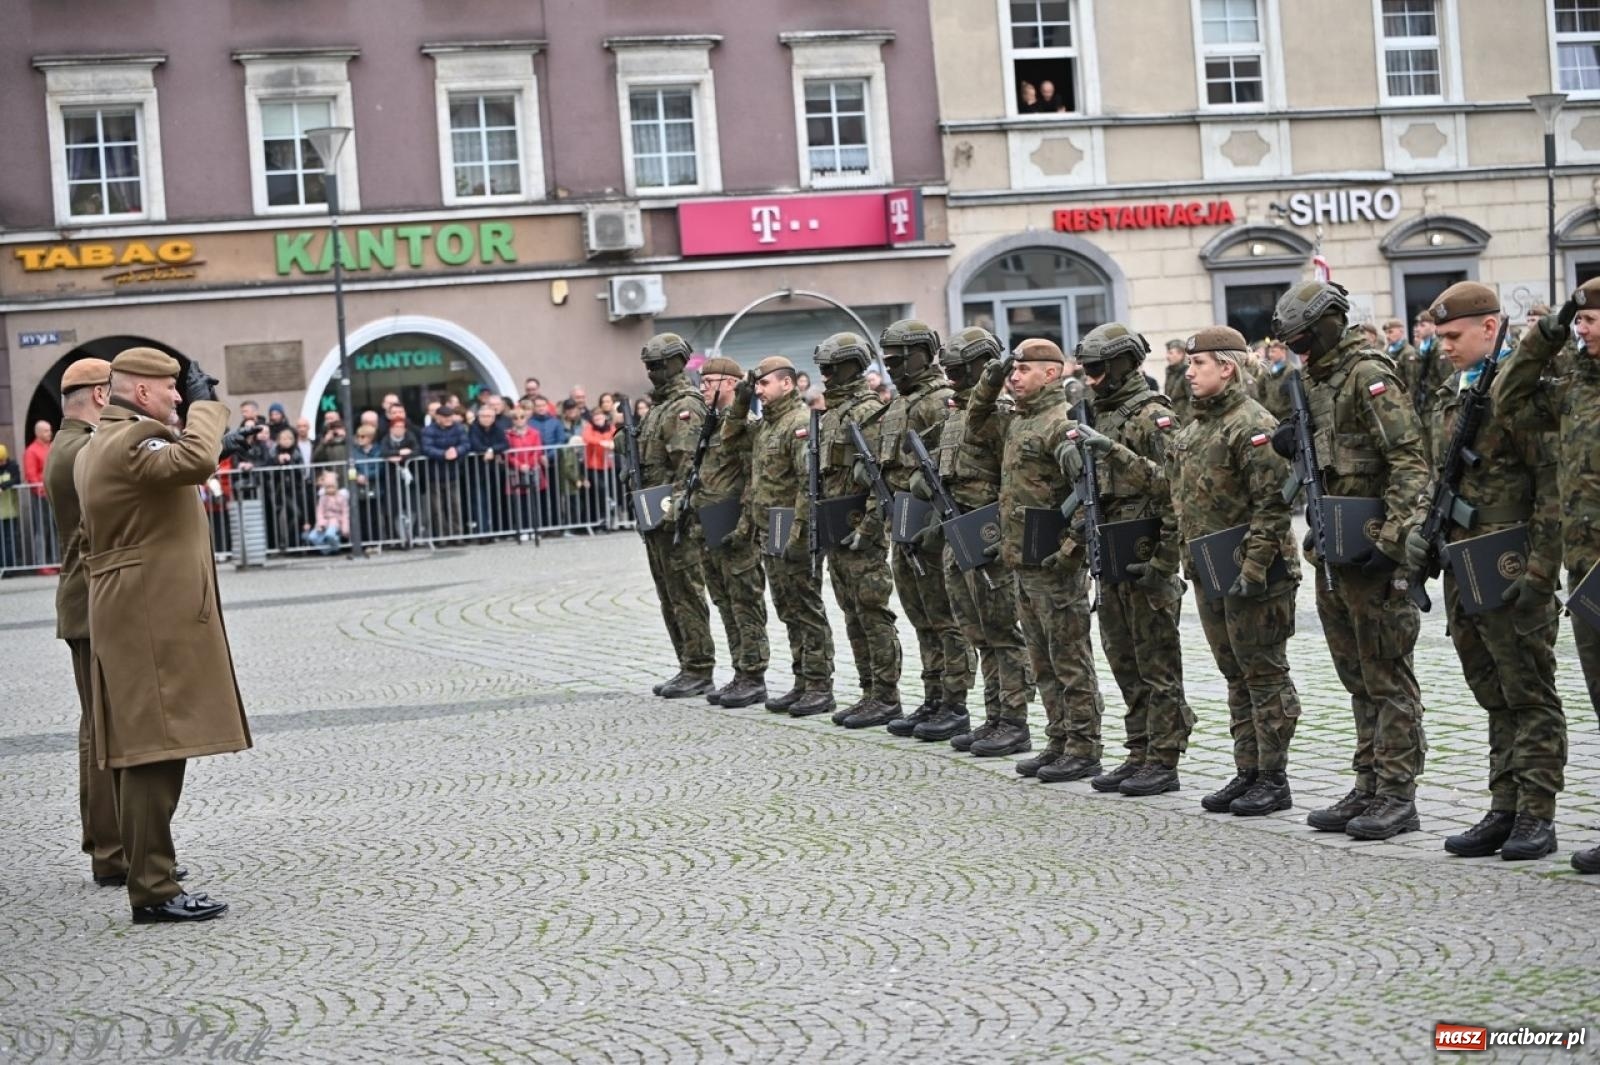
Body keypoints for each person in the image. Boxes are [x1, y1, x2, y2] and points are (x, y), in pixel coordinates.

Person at [75, 346, 248, 923]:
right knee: (154, 751)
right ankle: (152, 886)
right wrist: (206, 408)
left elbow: (164, 480)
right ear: (143, 391)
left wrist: (215, 443)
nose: (178, 395)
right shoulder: (132, 437)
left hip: (136, 611)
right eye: (171, 388)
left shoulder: (105, 442)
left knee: (150, 749)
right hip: (147, 615)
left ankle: (152, 874)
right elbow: (190, 461)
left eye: (183, 388)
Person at [1405, 282, 1565, 861]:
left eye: (1454, 336)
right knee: (1492, 690)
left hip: (1508, 559)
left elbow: (1551, 486)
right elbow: (1435, 475)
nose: (1444, 346)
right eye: (1439, 336)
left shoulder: (1520, 393)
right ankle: (1505, 805)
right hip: (1462, 561)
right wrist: (1420, 532)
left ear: (1490, 328)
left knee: (1529, 691)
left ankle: (1537, 814)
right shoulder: (1452, 394)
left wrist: (1541, 571)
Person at [1270, 282, 1430, 840]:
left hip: (1374, 552)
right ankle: (1368, 781)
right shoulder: (1314, 382)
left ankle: (1397, 793)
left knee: (1387, 675)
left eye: (1303, 339)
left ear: (1329, 325)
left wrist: (1392, 541)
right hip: (1333, 548)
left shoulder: (1367, 374)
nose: (1298, 350)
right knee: (1356, 676)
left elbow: (1409, 461)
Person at [1167, 327, 1303, 816]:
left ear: (1226, 367)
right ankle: (1248, 770)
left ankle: (1274, 777)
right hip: (1210, 570)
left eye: (1198, 363)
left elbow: (1274, 504)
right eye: (1188, 363)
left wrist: (1254, 565)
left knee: (1264, 675)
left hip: (1256, 573)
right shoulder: (1195, 427)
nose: (1189, 372)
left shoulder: (1252, 424)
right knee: (1235, 675)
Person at [1496, 280, 1600, 873]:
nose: (1582, 328)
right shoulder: (1575, 387)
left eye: (1590, 319)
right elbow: (1509, 398)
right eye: (1577, 321)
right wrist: (1547, 333)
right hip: (1587, 572)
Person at [1069, 324, 1193, 796]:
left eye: (1098, 369)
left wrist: (1164, 562)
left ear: (1123, 363)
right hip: (1111, 553)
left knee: (1157, 664)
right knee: (1123, 658)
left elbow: (1174, 486)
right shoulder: (1096, 414)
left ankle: (1164, 757)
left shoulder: (1152, 415)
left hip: (1148, 555)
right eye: (1087, 369)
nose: (1091, 377)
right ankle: (1139, 749)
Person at [967, 337, 1101, 771]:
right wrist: (990, 379)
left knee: (1069, 660)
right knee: (1042, 660)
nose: (1015, 377)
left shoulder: (1061, 425)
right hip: (1022, 561)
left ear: (1052, 373)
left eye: (1024, 370)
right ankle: (1059, 739)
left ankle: (1083, 747)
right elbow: (975, 422)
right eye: (1013, 370)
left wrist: (1069, 551)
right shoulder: (1018, 420)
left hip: (1054, 565)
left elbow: (1088, 496)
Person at [921, 328, 1035, 754]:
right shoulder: (956, 414)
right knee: (978, 631)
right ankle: (994, 716)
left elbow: (1013, 477)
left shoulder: (998, 412)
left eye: (957, 367)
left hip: (987, 533)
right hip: (958, 533)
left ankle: (1015, 720)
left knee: (1003, 630)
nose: (950, 374)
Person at [42, 358, 126, 887]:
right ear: (99, 395)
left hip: (86, 603)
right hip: (92, 604)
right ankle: (113, 853)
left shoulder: (70, 444)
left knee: (99, 729)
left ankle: (111, 845)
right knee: (102, 733)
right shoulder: (80, 449)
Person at [876, 320, 973, 736]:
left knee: (945, 617)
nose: (892, 368)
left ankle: (955, 702)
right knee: (920, 616)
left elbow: (951, 468)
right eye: (888, 361)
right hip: (902, 517)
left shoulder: (939, 401)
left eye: (898, 360)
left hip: (930, 521)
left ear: (919, 355)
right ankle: (933, 696)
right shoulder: (900, 403)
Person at [811, 333, 903, 728]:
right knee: (852, 613)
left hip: (862, 533)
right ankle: (869, 690)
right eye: (823, 369)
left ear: (851, 366)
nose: (826, 375)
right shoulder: (833, 413)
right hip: (837, 529)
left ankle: (887, 696)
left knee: (872, 612)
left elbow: (880, 478)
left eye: (832, 368)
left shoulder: (868, 412)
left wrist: (868, 527)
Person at [625, 334, 717, 698]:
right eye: (648, 366)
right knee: (669, 594)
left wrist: (676, 511)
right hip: (654, 514)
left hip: (676, 518)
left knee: (685, 593)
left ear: (677, 363)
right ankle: (686, 663)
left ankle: (699, 667)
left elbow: (687, 466)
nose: (652, 372)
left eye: (658, 365)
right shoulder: (658, 408)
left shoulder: (685, 406)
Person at [744, 356, 835, 714]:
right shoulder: (767, 425)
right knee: (788, 609)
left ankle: (820, 685)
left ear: (787, 383)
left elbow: (807, 484)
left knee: (806, 609)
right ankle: (802, 681)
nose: (758, 390)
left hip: (793, 531)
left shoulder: (798, 422)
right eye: (757, 384)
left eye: (764, 383)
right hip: (772, 530)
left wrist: (799, 535)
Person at [690, 356, 770, 708]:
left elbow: (754, 476)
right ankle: (740, 670)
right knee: (724, 600)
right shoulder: (712, 424)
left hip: (736, 523)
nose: (703, 388)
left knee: (745, 601)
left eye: (709, 382)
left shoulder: (744, 425)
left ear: (730, 384)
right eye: (701, 382)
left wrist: (745, 524)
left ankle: (753, 675)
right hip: (711, 521)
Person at [421, 405, 468, 542]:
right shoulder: (428, 430)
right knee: (437, 509)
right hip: (434, 474)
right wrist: (443, 454)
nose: (448, 420)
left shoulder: (458, 428)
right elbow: (427, 448)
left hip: (453, 472)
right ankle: (443, 537)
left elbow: (466, 444)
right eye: (445, 417)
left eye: (450, 417)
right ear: (437, 417)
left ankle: (458, 536)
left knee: (455, 506)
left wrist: (457, 451)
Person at [466, 403, 509, 536]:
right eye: (484, 416)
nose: (486, 419)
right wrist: (489, 450)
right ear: (478, 417)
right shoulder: (473, 428)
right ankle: (483, 533)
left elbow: (505, 444)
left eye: (489, 416)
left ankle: (499, 530)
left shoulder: (498, 428)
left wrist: (491, 450)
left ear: (494, 417)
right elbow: (474, 444)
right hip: (477, 470)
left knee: (497, 501)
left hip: (494, 470)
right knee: (479, 501)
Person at [504, 406, 545, 540]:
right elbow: (508, 454)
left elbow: (537, 450)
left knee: (533, 501)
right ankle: (522, 529)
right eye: (515, 418)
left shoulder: (535, 433)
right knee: (519, 502)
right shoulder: (508, 435)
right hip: (515, 471)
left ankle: (535, 529)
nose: (519, 420)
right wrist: (519, 465)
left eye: (522, 417)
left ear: (526, 418)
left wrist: (529, 463)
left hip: (532, 470)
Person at [24, 420, 54, 571]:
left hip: (53, 494)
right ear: (38, 433)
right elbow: (31, 475)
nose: (50, 433)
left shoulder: (51, 447)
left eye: (50, 430)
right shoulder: (32, 451)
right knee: (42, 529)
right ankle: (42, 564)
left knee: (54, 529)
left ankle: (55, 561)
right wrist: (42, 491)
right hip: (41, 496)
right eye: (46, 431)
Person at [580, 409, 616, 530]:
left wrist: (611, 442)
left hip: (608, 465)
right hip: (593, 466)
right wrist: (601, 442)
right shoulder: (589, 427)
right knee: (600, 490)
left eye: (600, 417)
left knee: (610, 489)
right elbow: (587, 438)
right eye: (595, 417)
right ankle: (602, 516)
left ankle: (609, 516)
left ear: (604, 417)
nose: (598, 419)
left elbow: (616, 437)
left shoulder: (610, 427)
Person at [350, 424, 386, 542]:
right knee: (362, 516)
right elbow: (350, 467)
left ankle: (375, 541)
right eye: (358, 436)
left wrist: (366, 476)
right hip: (360, 489)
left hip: (375, 487)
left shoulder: (379, 451)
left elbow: (380, 468)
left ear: (370, 438)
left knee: (375, 515)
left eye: (363, 436)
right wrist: (356, 477)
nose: (359, 439)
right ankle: (364, 542)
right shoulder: (354, 452)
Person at [302, 470, 350, 554]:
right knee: (312, 537)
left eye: (332, 487)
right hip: (324, 521)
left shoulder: (341, 498)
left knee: (330, 534)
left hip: (336, 521)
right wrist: (321, 523)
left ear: (336, 486)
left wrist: (345, 527)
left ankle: (335, 546)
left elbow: (345, 514)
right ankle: (327, 549)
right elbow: (319, 512)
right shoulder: (323, 498)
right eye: (328, 487)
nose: (330, 490)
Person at [1254, 339, 1294, 422]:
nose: (1270, 355)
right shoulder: (1267, 371)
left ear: (1283, 351)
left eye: (1273, 351)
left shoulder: (1290, 371)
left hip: (1287, 416)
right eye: (1269, 352)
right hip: (1272, 416)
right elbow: (1260, 391)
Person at [1163, 338, 1194, 425]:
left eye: (1170, 353)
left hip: (1183, 424)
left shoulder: (1187, 374)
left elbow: (1193, 402)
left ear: (1181, 354)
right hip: (1173, 422)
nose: (1167, 357)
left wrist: (1185, 425)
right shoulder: (1171, 372)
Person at [0, 444, 20, 570]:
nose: (1, 463)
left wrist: (3, 486)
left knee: (9, 540)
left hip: (10, 510)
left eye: (2, 460)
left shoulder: (12, 466)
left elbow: (16, 479)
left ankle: (10, 567)